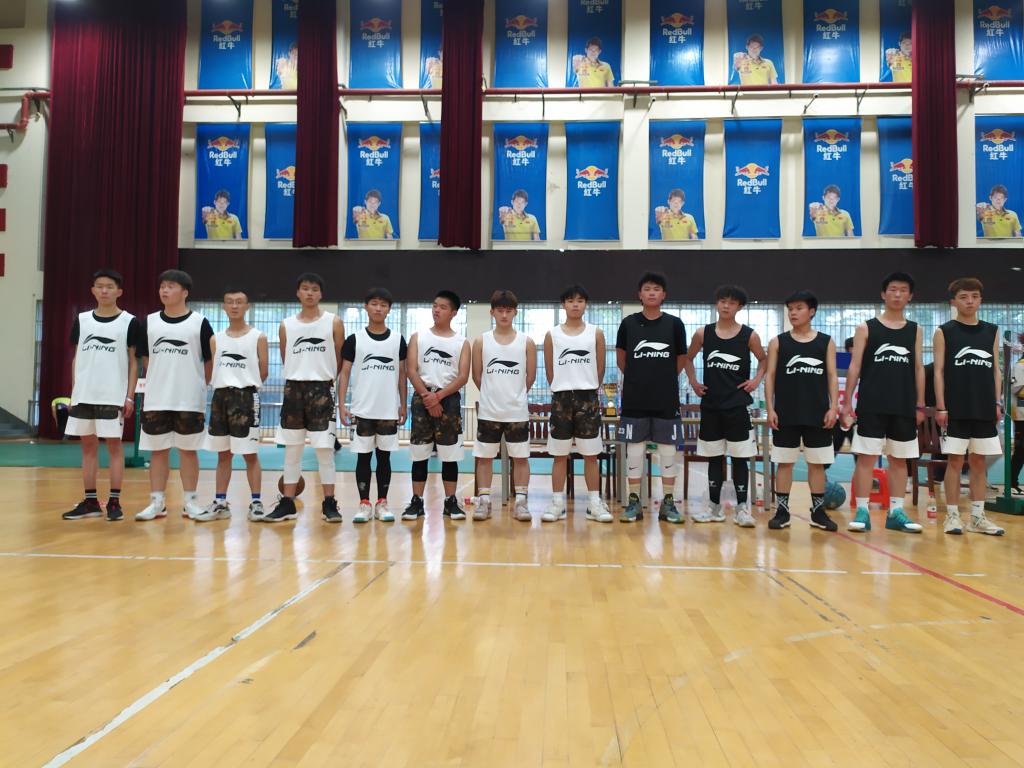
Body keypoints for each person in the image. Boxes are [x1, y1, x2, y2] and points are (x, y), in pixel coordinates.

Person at [841, 271, 925, 534]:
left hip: (903, 405)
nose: (897, 294)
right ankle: (862, 511)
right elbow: (855, 367)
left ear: (910, 296)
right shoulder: (866, 328)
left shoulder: (915, 330)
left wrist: (920, 403)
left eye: (903, 290)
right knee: (866, 458)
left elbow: (918, 368)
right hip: (872, 404)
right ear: (883, 294)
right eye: (892, 289)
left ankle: (896, 512)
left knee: (899, 460)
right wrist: (847, 403)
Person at [684, 285, 766, 527]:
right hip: (711, 406)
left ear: (739, 307)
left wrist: (756, 380)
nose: (726, 306)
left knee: (740, 459)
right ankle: (714, 507)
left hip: (737, 406)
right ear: (716, 304)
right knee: (714, 458)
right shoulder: (703, 333)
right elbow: (687, 358)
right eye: (722, 301)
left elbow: (764, 360)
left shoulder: (749, 335)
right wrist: (693, 382)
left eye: (731, 302)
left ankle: (742, 509)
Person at [135, 270, 214, 521]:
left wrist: (198, 385)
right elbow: (146, 358)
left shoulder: (200, 323)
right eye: (162, 286)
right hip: (157, 398)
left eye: (171, 286)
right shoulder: (149, 322)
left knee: (188, 451)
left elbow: (209, 361)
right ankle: (157, 503)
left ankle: (190, 502)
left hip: (189, 399)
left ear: (185, 292)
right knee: (158, 451)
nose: (164, 290)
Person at [62, 269, 139, 522]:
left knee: (114, 447)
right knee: (88, 447)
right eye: (99, 286)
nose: (104, 290)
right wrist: (74, 392)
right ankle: (91, 502)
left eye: (109, 286)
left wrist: (129, 396)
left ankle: (114, 502)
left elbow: (133, 362)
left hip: (112, 396)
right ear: (93, 290)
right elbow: (77, 358)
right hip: (84, 395)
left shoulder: (129, 321)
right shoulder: (82, 320)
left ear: (119, 291)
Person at [267, 273, 345, 523]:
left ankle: (329, 503)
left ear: (321, 294)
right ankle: (287, 503)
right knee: (292, 450)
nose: (309, 293)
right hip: (294, 390)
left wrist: (324, 379)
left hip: (322, 389)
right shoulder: (286, 325)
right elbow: (285, 356)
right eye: (305, 288)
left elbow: (339, 358)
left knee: (325, 451)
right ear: (298, 293)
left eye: (314, 289)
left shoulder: (333, 322)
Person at [934, 278, 1006, 536]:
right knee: (955, 460)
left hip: (984, 406)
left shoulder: (992, 331)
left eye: (974, 296)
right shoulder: (944, 331)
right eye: (964, 297)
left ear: (980, 300)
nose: (970, 301)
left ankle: (977, 517)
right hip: (955, 408)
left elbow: (996, 370)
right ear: (953, 302)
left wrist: (997, 401)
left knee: (978, 461)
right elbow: (939, 371)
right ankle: (952, 516)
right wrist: (941, 406)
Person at [615, 272, 687, 523]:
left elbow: (681, 358)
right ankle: (634, 502)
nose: (652, 293)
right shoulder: (628, 323)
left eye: (656, 289)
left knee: (668, 449)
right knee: (634, 449)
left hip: (666, 398)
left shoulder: (675, 324)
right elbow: (621, 357)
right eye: (647, 289)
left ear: (663, 294)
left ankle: (668, 503)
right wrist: (638, 378)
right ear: (640, 294)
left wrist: (663, 378)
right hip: (635, 398)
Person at [765, 290, 839, 531]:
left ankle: (818, 512)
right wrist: (770, 408)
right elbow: (770, 376)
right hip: (785, 413)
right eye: (790, 309)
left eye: (799, 308)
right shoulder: (778, 342)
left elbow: (832, 375)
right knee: (784, 463)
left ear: (812, 311)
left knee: (816, 464)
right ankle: (782, 511)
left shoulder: (826, 341)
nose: (793, 313)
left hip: (818, 413)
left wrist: (834, 407)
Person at [196, 288, 268, 522]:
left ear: (247, 306)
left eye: (239, 302)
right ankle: (220, 502)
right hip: (220, 398)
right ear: (224, 307)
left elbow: (263, 371)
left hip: (246, 398)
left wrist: (244, 385)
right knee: (223, 455)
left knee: (249, 454)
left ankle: (256, 502)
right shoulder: (215, 339)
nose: (234, 306)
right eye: (229, 302)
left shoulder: (258, 337)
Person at [542, 284, 611, 523]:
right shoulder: (552, 335)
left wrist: (587, 386)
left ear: (585, 305)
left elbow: (600, 368)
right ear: (563, 305)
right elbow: (550, 370)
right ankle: (557, 503)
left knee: (591, 455)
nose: (575, 305)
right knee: (559, 455)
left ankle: (594, 503)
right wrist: (562, 386)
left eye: (580, 301)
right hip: (561, 399)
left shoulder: (596, 333)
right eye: (570, 300)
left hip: (588, 398)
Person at [338, 288, 408, 523]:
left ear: (389, 309)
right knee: (363, 458)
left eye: (383, 305)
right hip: (362, 410)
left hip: (388, 410)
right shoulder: (354, 339)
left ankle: (382, 503)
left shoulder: (398, 340)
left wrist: (403, 404)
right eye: (374, 304)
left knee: (385, 458)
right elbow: (344, 373)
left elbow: (402, 375)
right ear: (366, 307)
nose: (378, 308)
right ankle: (364, 504)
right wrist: (342, 404)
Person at [404, 290, 470, 520]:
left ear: (453, 312)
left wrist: (439, 396)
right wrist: (427, 396)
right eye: (434, 305)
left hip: (448, 401)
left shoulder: (462, 342)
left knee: (450, 455)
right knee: (419, 454)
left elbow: (463, 376)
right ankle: (416, 501)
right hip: (422, 397)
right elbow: (411, 370)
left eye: (442, 307)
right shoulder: (418, 337)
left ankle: (450, 502)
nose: (436, 310)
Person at [472, 290, 536, 522]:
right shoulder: (481, 341)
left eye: (508, 310)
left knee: (521, 458)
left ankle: (521, 502)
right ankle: (484, 501)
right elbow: (477, 376)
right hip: (489, 411)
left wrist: (515, 396)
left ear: (515, 313)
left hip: (516, 412)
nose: (504, 315)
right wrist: (492, 395)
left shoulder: (526, 342)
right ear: (492, 312)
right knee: (485, 458)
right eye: (500, 310)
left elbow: (530, 377)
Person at [1011, 337, 1024, 495]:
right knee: (1021, 449)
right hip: (1021, 415)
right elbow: (1016, 389)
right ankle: (1012, 482)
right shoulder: (1020, 366)